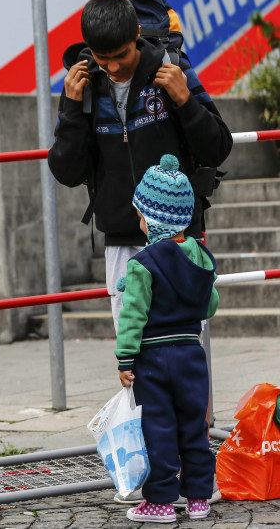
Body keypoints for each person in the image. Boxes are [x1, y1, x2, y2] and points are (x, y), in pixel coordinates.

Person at [47, 0, 232, 333]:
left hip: (179, 237)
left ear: (136, 36)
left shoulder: (172, 66)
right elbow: (66, 172)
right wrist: (72, 111)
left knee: (187, 348)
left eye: (122, 55)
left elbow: (218, 147)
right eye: (104, 59)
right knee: (133, 357)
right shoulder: (83, 84)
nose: (114, 67)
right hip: (121, 241)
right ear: (89, 47)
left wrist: (185, 100)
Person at [115, 154, 218, 523]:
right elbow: (210, 306)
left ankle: (160, 502)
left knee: (158, 428)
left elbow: (133, 316)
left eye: (141, 215)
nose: (139, 222)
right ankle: (199, 499)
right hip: (191, 355)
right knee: (195, 425)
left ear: (151, 220)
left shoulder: (142, 263)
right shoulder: (201, 257)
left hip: (154, 359)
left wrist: (125, 360)